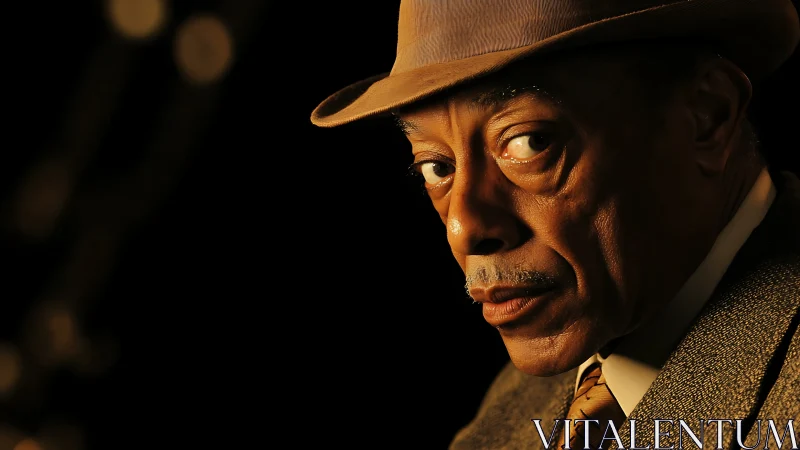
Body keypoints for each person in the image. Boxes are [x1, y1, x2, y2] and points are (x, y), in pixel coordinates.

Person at [310, 1, 800, 449]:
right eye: (437, 167)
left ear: (707, 116)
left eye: (530, 142)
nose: (463, 228)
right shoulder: (509, 413)